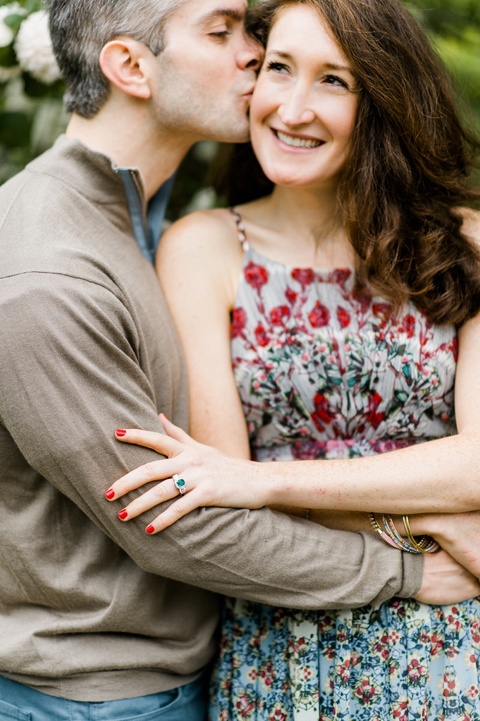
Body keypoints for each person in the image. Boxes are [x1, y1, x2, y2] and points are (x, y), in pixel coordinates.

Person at [2, 1, 473, 719]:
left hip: (442, 648)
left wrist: (260, 481)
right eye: (265, 57)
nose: (271, 82)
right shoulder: (168, 251)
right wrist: (419, 539)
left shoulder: (460, 242)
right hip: (231, 660)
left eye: (335, 80)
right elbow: (205, 496)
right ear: (129, 67)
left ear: (382, 98)